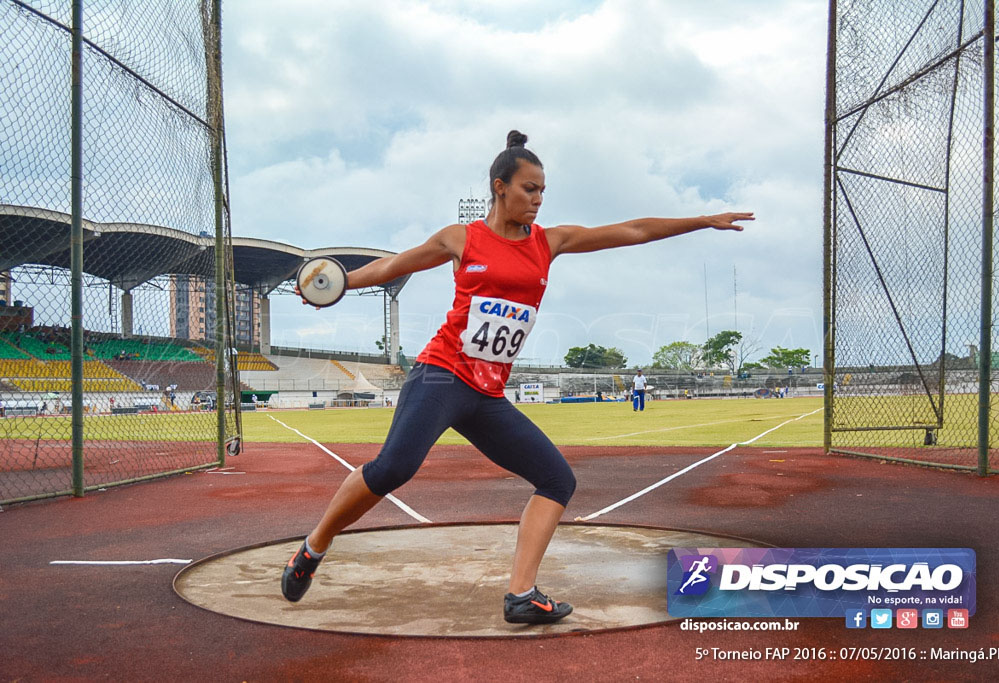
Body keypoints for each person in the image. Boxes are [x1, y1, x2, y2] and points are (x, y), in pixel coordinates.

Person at [281, 130, 753, 624]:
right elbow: (395, 265)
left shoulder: (550, 242)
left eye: (543, 190)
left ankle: (521, 595)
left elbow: (632, 229)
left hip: (487, 394)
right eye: (530, 189)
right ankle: (313, 549)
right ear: (499, 186)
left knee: (556, 479)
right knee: (392, 469)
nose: (539, 199)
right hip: (442, 375)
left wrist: (700, 220)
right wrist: (333, 283)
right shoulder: (461, 238)